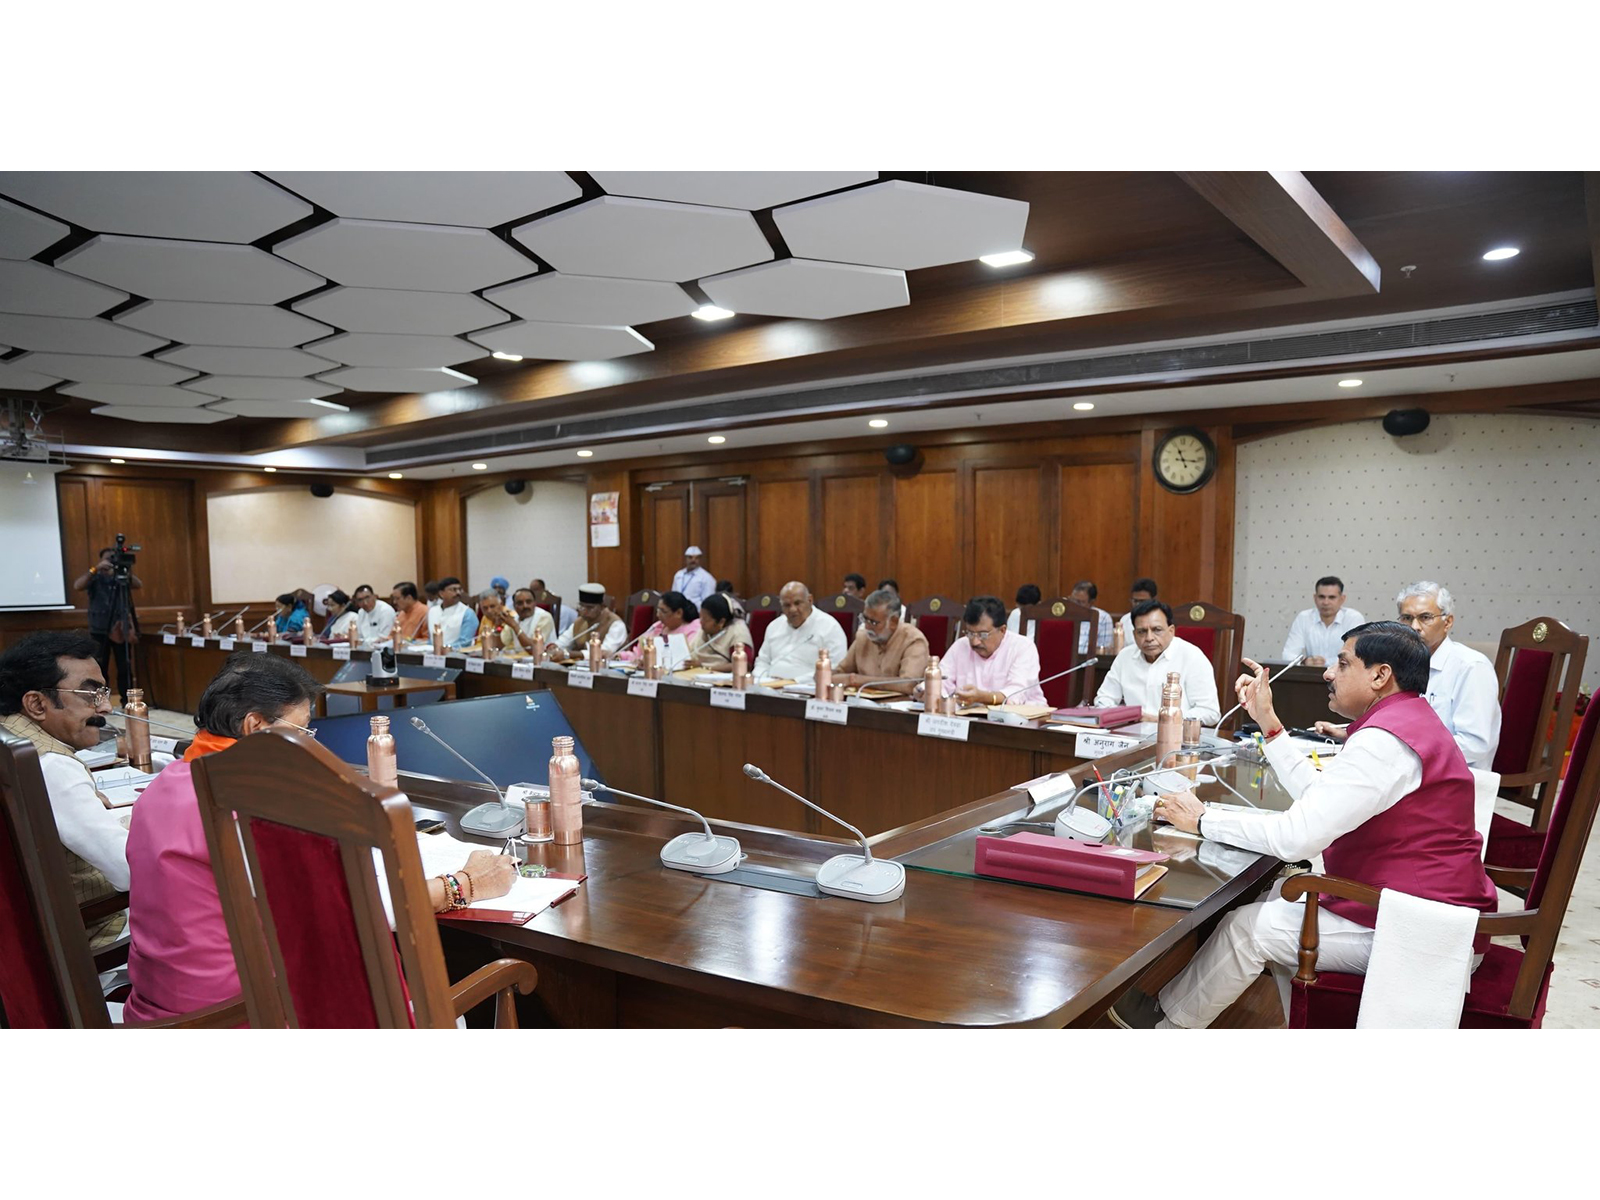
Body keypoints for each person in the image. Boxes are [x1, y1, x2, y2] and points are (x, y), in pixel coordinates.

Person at [1109, 623, 1497, 1029]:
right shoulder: (1407, 720)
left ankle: (1166, 1027)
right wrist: (1269, 723)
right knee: (1274, 897)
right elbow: (1320, 796)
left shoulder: (1385, 741)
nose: (1328, 673)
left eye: (1343, 664)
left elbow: (1295, 839)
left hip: (1421, 930)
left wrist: (1202, 819)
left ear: (1380, 676)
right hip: (1424, 907)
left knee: (1248, 928)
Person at [121, 652, 518, 1023]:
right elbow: (348, 916)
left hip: (162, 1005)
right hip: (242, 1013)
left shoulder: (165, 785)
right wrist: (466, 884)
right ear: (256, 726)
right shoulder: (257, 808)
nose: (310, 742)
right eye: (302, 730)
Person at [0, 632, 130, 948]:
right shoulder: (52, 767)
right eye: (90, 695)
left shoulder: (10, 734)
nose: (106, 708)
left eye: (105, 693)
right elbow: (128, 871)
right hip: (98, 929)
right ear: (36, 703)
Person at [1317, 581, 1500, 770]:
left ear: (1448, 622)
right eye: (1406, 618)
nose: (1414, 627)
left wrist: (1395, 749)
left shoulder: (1471, 667)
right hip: (1406, 768)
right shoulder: (1399, 664)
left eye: (1425, 617)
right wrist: (1350, 733)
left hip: (1454, 779)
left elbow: (1475, 745)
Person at [1093, 600, 1221, 724]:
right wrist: (1122, 715)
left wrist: (1161, 719)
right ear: (1134, 634)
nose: (1149, 638)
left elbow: (1210, 712)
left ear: (1171, 631)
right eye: (1142, 632)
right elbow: (1104, 699)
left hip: (1177, 738)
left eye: (1157, 630)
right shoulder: (1125, 656)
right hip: (1131, 736)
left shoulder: (1192, 657)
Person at [924, 595, 1045, 706]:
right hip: (969, 721)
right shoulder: (961, 645)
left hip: (1021, 723)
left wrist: (982, 697)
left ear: (1002, 630)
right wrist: (927, 690)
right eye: (970, 633)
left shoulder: (1022, 648)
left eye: (982, 635)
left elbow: (1015, 695)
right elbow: (942, 681)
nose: (975, 642)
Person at [73, 546, 141, 702]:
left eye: (113, 558)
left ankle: (127, 700)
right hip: (99, 628)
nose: (110, 562)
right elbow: (78, 585)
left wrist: (124, 571)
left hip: (120, 629)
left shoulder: (121, 577)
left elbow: (138, 584)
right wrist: (95, 569)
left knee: (125, 667)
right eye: (107, 558)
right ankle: (101, 700)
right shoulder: (94, 576)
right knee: (100, 667)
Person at [835, 587, 930, 695]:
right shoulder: (863, 637)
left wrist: (856, 680)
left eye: (874, 622)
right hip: (861, 705)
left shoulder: (913, 640)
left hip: (897, 708)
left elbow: (908, 684)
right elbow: (836, 675)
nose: (867, 626)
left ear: (893, 622)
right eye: (865, 619)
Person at [752, 581, 848, 683]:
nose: (792, 609)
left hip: (808, 689)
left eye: (797, 603)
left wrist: (793, 681)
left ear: (810, 600)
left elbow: (835, 668)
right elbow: (762, 661)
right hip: (769, 687)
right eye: (787, 605)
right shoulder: (774, 626)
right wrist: (760, 680)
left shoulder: (830, 627)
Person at [1282, 576, 1364, 666]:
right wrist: (1304, 662)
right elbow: (1288, 655)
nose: (1326, 602)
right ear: (1315, 598)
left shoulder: (1353, 618)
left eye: (1331, 597)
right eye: (1321, 597)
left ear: (1342, 599)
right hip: (1310, 675)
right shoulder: (1304, 617)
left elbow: (1356, 656)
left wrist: (1324, 663)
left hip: (1343, 676)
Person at [618, 592, 701, 664]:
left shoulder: (693, 631)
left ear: (679, 613)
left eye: (663, 611)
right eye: (658, 610)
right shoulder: (658, 627)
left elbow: (683, 660)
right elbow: (638, 654)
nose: (658, 615)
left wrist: (648, 661)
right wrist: (621, 656)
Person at [553, 583, 627, 660]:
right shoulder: (580, 621)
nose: (584, 612)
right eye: (581, 607)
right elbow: (562, 642)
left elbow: (602, 653)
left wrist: (569, 654)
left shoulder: (615, 624)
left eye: (590, 608)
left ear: (602, 607)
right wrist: (554, 648)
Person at [687, 592, 754, 669]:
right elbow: (690, 652)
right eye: (700, 617)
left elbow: (743, 665)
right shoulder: (705, 629)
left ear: (721, 622)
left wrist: (705, 666)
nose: (701, 622)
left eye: (705, 619)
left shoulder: (738, 632)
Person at [431, 577, 479, 650]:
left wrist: (445, 649)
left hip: (456, 655)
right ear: (441, 594)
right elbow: (430, 639)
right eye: (454, 590)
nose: (458, 593)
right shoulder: (432, 611)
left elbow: (465, 643)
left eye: (459, 589)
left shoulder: (468, 613)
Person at [1069, 580, 1116, 654]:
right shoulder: (1065, 614)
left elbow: (1104, 651)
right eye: (1072, 600)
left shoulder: (1103, 618)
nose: (1074, 605)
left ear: (1092, 602)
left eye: (1080, 602)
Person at [511, 587, 557, 651]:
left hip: (542, 659)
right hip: (519, 658)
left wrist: (515, 626)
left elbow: (534, 647)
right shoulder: (514, 618)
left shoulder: (544, 617)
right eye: (520, 603)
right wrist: (498, 626)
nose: (525, 606)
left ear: (535, 603)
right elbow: (502, 645)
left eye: (528, 602)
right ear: (514, 606)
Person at [474, 588, 519, 654]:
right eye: (485, 608)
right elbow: (480, 642)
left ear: (501, 604)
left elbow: (508, 646)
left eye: (492, 606)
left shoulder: (512, 617)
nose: (489, 611)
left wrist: (498, 627)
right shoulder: (485, 618)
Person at [1117, 577, 1158, 644]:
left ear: (1153, 600)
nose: (1138, 605)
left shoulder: (1161, 619)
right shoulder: (1125, 620)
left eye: (1142, 601)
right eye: (1135, 601)